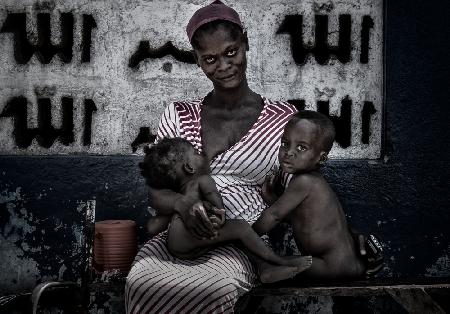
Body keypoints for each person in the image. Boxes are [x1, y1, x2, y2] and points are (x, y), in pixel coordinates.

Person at [125, 1, 380, 313]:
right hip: (181, 239)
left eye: (231, 52)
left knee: (211, 291)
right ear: (198, 60)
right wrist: (182, 204)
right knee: (142, 283)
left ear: (245, 42)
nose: (223, 65)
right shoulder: (179, 115)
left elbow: (306, 195)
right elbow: (156, 191)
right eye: (210, 59)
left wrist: (347, 241)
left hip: (243, 244)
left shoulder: (282, 119)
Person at [138, 137, 312, 282]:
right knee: (241, 228)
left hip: (176, 244)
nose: (202, 154)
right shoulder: (204, 180)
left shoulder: (178, 192)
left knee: (234, 239)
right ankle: (278, 260)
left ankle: (264, 268)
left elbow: (153, 227)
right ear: (189, 168)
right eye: (196, 154)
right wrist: (220, 215)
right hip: (193, 237)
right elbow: (217, 204)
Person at [253, 111, 365, 279]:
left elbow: (274, 215)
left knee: (270, 262)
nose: (289, 152)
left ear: (321, 158)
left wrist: (248, 236)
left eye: (301, 147)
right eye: (285, 143)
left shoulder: (304, 182)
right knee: (276, 262)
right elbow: (298, 218)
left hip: (330, 265)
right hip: (344, 264)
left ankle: (268, 272)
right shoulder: (311, 182)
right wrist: (270, 197)